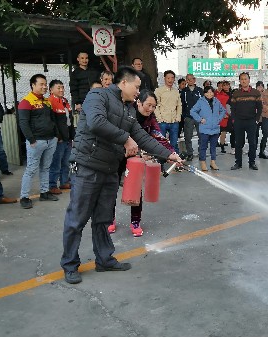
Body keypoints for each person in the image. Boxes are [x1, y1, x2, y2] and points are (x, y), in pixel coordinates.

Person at [61, 66, 182, 284]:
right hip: (87, 166)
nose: (138, 92)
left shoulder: (128, 109)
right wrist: (125, 139)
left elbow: (142, 137)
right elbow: (96, 122)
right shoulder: (97, 95)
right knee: (76, 219)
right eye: (137, 87)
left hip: (109, 169)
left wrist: (169, 155)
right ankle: (70, 264)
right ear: (124, 83)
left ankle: (104, 259)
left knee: (102, 218)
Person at [109, 90, 176, 236]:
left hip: (135, 160)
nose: (150, 109)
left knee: (135, 188)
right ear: (138, 102)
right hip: (117, 154)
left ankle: (135, 221)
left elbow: (158, 136)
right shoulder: (125, 113)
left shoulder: (150, 118)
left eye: (154, 106)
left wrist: (172, 153)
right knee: (111, 187)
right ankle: (109, 219)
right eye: (148, 105)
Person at [18, 74, 59, 209]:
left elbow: (52, 120)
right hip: (36, 142)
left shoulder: (47, 101)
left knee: (45, 167)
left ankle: (44, 192)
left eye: (45, 84)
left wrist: (55, 136)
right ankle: (24, 197)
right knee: (31, 169)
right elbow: (23, 123)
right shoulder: (26, 101)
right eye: (41, 84)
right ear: (33, 85)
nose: (44, 86)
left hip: (50, 140)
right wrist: (31, 140)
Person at [230, 72, 262, 170]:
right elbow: (233, 108)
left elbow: (260, 108)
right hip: (239, 121)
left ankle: (252, 162)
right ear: (239, 81)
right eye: (242, 79)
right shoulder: (236, 94)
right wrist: (234, 120)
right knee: (238, 143)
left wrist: (256, 120)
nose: (244, 81)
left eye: (245, 79)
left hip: (251, 121)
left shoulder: (256, 93)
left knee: (252, 142)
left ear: (249, 80)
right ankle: (238, 163)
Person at [190, 86, 227, 171]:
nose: (209, 94)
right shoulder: (200, 101)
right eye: (207, 92)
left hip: (215, 129)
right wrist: (200, 119)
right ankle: (203, 163)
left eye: (211, 92)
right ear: (204, 93)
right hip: (205, 129)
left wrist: (219, 119)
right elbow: (192, 111)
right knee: (203, 147)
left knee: (213, 147)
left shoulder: (216, 101)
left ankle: (213, 162)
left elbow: (223, 110)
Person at [48, 80, 74, 195]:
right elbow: (52, 122)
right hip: (59, 139)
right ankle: (52, 185)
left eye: (62, 87)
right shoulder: (50, 102)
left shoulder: (65, 101)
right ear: (51, 90)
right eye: (58, 88)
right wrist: (58, 137)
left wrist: (71, 136)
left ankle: (64, 182)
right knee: (56, 162)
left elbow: (69, 120)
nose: (61, 90)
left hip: (67, 137)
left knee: (66, 161)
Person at [154, 70, 182, 153]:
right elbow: (156, 105)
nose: (170, 80)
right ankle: (160, 164)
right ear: (164, 79)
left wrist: (178, 117)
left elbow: (179, 105)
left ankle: (175, 164)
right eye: (168, 78)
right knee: (161, 144)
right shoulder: (158, 91)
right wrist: (159, 118)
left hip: (174, 121)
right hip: (162, 121)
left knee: (174, 144)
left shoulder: (176, 91)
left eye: (172, 78)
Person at [180, 74, 203, 161]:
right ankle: (190, 153)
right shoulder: (184, 91)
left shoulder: (200, 91)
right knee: (188, 136)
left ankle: (201, 153)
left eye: (191, 79)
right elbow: (181, 105)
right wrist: (184, 116)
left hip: (199, 117)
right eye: (188, 79)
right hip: (188, 117)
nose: (190, 81)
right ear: (186, 81)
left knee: (201, 136)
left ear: (194, 80)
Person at [215, 81, 231, 153]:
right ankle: (221, 146)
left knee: (225, 131)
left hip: (230, 115)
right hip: (223, 116)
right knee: (222, 131)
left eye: (227, 85)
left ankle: (222, 144)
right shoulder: (219, 95)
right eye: (224, 85)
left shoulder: (232, 94)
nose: (225, 87)